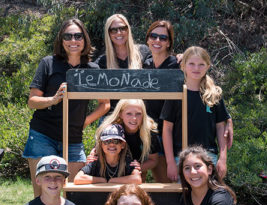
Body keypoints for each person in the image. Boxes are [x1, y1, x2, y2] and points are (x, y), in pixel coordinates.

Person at [23, 18, 110, 197]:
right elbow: (32, 101)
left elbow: (105, 104)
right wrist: (54, 99)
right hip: (43, 136)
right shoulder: (48, 63)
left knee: (72, 194)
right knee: (43, 195)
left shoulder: (92, 69)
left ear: (84, 39)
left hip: (73, 139)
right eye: (68, 36)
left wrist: (85, 122)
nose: (73, 40)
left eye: (78, 36)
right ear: (61, 40)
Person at [161, 46, 232, 182]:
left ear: (208, 66)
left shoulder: (214, 94)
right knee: (183, 198)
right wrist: (170, 162)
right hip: (181, 157)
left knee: (208, 197)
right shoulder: (175, 94)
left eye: (201, 64)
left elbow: (220, 128)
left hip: (208, 156)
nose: (196, 68)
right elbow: (167, 129)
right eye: (192, 64)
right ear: (183, 66)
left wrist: (223, 159)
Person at [143, 20, 180, 183]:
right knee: (135, 182)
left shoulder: (177, 65)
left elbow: (202, 81)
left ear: (169, 43)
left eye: (163, 38)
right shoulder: (145, 63)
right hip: (144, 131)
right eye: (154, 36)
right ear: (148, 39)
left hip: (166, 132)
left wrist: (226, 119)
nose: (157, 41)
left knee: (166, 184)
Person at [95, 14, 150, 115]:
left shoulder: (144, 52)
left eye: (122, 28)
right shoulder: (103, 61)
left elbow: (162, 63)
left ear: (128, 29)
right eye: (113, 30)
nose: (119, 32)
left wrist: (181, 58)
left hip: (140, 115)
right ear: (108, 34)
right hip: (114, 117)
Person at [74, 124, 142, 184]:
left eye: (116, 141)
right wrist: (102, 180)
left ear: (123, 145)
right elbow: (78, 179)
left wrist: (112, 181)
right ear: (101, 145)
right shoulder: (96, 162)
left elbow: (137, 179)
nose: (111, 144)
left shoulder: (127, 162)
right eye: (107, 141)